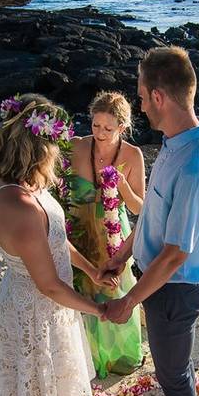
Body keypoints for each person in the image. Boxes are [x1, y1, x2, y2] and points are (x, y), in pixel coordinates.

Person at [103, 47, 199, 396]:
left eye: (140, 97)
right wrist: (124, 253)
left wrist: (128, 299)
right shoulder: (173, 144)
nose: (138, 105)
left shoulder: (195, 166)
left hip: (176, 288)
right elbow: (154, 213)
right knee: (169, 363)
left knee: (173, 370)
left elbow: (175, 254)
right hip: (158, 280)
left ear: (159, 97)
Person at [0, 93, 114, 396]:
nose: (59, 155)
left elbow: (56, 243)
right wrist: (100, 310)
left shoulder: (29, 187)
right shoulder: (20, 206)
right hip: (36, 304)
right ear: (38, 150)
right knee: (38, 365)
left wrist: (91, 269)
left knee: (50, 364)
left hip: (50, 300)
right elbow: (47, 283)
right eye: (54, 148)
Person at [66, 91, 146, 378]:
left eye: (108, 128)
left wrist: (122, 186)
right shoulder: (77, 147)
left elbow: (140, 207)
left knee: (116, 290)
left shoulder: (133, 155)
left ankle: (118, 357)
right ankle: (87, 357)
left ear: (122, 128)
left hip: (115, 235)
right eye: (95, 125)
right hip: (80, 231)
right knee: (83, 290)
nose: (100, 133)